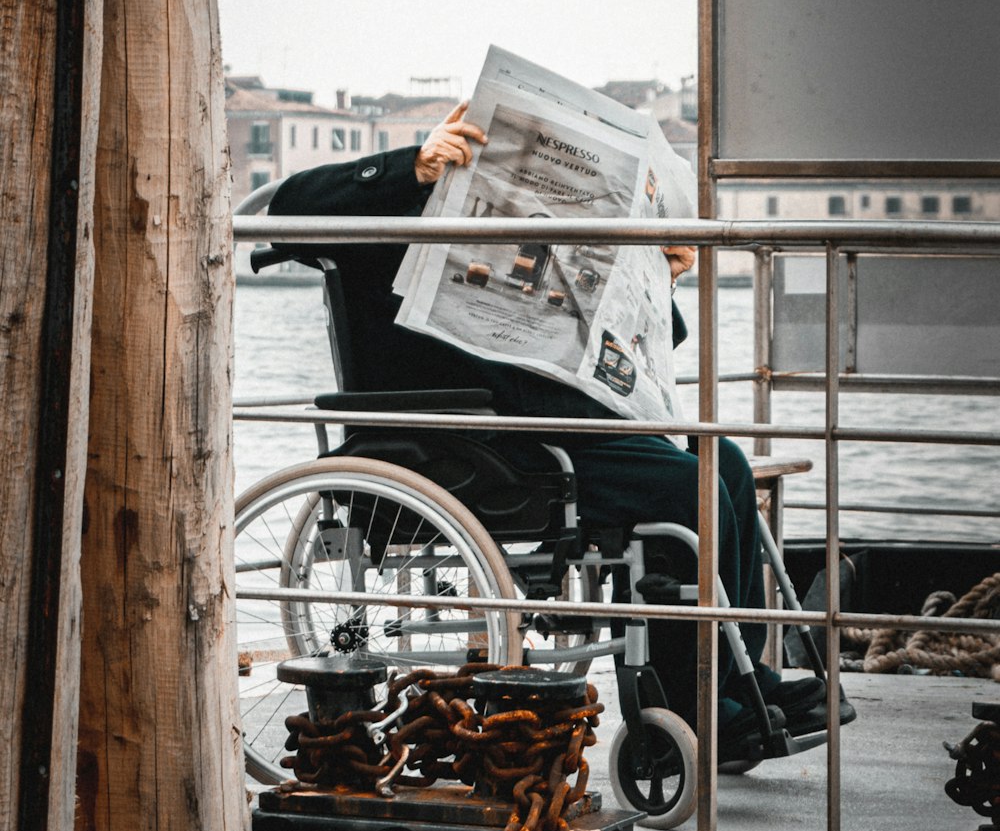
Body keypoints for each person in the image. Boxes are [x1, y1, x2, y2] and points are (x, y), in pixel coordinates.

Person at [269, 103, 836, 757]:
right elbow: (288, 203)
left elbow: (632, 352)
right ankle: (696, 704)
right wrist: (411, 167)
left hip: (562, 424)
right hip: (486, 441)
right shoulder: (398, 206)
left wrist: (661, 273)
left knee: (725, 461)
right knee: (690, 487)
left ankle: (743, 677)